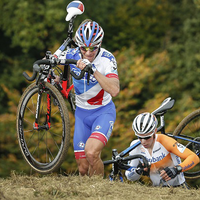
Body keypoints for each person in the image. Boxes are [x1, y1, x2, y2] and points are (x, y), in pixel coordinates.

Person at [58, 19, 120, 176]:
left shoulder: (107, 59)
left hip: (103, 112)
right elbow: (56, 65)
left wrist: (93, 70)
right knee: (83, 168)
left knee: (92, 153)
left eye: (93, 48)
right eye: (84, 48)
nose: (88, 52)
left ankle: (100, 191)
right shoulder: (72, 54)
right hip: (81, 114)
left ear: (99, 45)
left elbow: (114, 89)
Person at [125, 112, 200, 187]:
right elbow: (129, 177)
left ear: (155, 131)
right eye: (139, 137)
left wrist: (176, 169)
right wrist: (138, 171)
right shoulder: (135, 146)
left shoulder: (165, 141)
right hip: (157, 190)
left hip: (178, 187)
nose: (143, 141)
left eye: (147, 137)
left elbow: (194, 157)